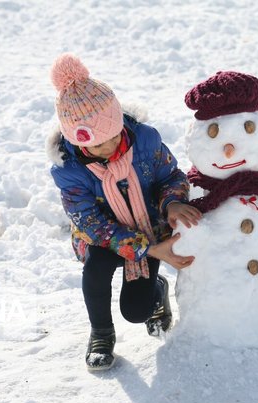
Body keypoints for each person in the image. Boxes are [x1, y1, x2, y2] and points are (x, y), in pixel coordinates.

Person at [47, 53, 201, 371]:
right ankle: (101, 333)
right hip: (105, 239)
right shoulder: (69, 171)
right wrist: (146, 249)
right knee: (96, 268)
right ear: (78, 141)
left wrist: (171, 202)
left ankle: (156, 292)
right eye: (100, 144)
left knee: (136, 311)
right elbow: (91, 223)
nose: (112, 146)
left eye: (115, 134)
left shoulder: (144, 140)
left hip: (151, 227)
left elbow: (170, 176)